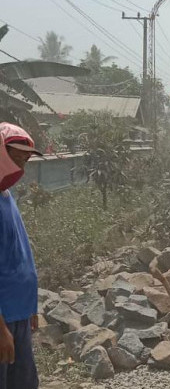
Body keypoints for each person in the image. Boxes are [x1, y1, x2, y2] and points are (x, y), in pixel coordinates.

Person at [0, 122, 43, 389]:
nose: (22, 167)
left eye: (25, 160)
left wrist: (31, 307)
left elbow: (19, 254)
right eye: (17, 158)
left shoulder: (7, 195)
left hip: (19, 313)